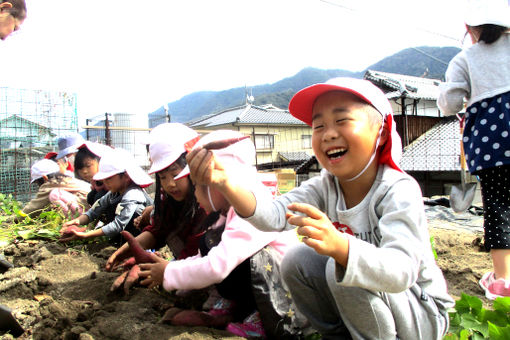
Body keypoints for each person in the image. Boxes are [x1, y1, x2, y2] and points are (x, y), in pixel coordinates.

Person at [187, 78, 455, 339]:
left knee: (340, 267)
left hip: (421, 314)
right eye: (318, 126)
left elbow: (402, 272)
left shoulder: (397, 190)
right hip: (375, 304)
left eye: (342, 120)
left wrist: (341, 247)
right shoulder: (325, 187)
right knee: (296, 261)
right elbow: (274, 216)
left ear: (381, 132)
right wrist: (225, 182)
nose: (329, 134)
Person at [139, 130, 306, 339]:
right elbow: (204, 258)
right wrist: (172, 271)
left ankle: (266, 318)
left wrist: (169, 273)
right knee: (209, 243)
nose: (196, 194)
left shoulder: (251, 209)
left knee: (243, 258)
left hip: (290, 295)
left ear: (218, 182)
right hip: (265, 283)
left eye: (198, 186)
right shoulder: (225, 213)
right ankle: (236, 309)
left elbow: (216, 267)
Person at [438, 0, 510, 300]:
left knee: (500, 207)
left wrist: (445, 94)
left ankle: (503, 281)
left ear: (468, 29)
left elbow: (450, 103)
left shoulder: (465, 58)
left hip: (494, 143)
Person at [105, 123, 207, 294]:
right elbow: (159, 229)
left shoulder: (207, 203)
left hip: (206, 265)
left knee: (179, 290)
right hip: (188, 262)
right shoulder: (167, 198)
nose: (170, 184)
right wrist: (132, 248)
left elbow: (197, 249)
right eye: (163, 176)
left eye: (175, 175)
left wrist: (164, 271)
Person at [59, 148, 153, 244]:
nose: (105, 182)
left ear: (126, 176)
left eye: (109, 179)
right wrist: (76, 221)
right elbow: (93, 212)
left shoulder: (133, 194)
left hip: (144, 235)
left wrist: (87, 235)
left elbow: (118, 225)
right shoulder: (113, 193)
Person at [22, 158, 90, 218]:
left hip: (86, 215)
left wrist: (14, 218)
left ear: (45, 178)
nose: (39, 186)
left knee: (54, 195)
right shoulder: (67, 179)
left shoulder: (50, 185)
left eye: (38, 183)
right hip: (93, 211)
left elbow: (32, 209)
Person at [74, 141, 112, 206]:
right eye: (80, 168)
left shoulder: (110, 177)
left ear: (100, 161)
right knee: (90, 197)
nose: (84, 171)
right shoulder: (94, 180)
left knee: (99, 197)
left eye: (88, 166)